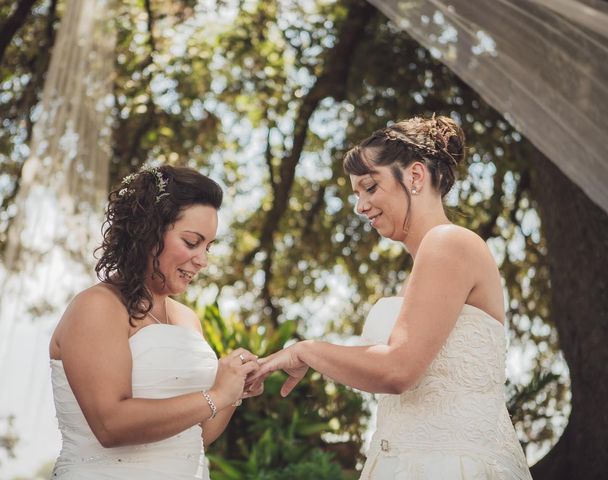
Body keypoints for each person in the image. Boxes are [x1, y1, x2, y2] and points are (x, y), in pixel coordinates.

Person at [250, 116, 533, 479]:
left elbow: (398, 369)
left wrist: (307, 351)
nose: (361, 206)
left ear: (415, 176)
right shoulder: (420, 270)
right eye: (356, 194)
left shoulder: (449, 243)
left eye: (370, 187)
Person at [49, 165, 261, 479]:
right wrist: (215, 395)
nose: (202, 260)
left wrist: (233, 392)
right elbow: (111, 425)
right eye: (192, 242)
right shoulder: (98, 306)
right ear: (148, 233)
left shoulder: (187, 319)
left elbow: (192, 436)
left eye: (209, 246)